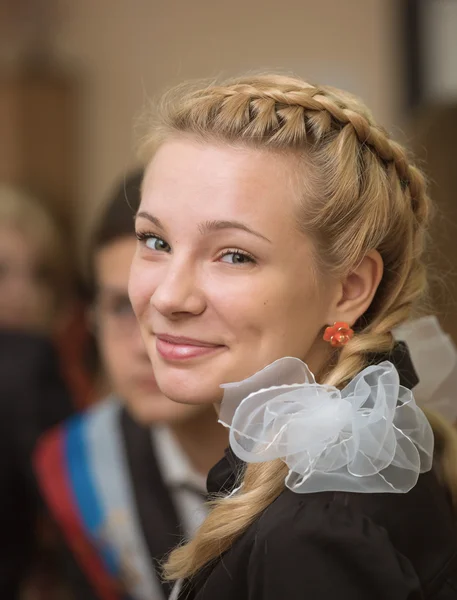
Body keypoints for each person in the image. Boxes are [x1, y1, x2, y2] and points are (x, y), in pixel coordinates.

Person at [128, 74, 457, 599]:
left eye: (235, 255)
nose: (169, 296)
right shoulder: (367, 451)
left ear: (349, 289)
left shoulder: (313, 532)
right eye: (155, 240)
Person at [35, 170, 228, 600]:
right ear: (90, 322)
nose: (150, 341)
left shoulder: (331, 452)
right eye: (122, 307)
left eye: (174, 302)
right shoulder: (78, 463)